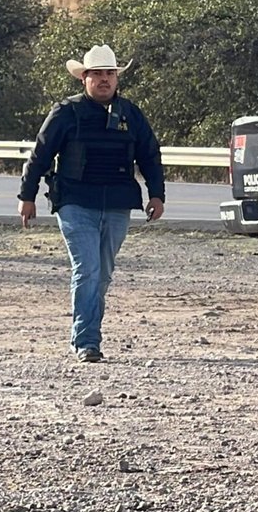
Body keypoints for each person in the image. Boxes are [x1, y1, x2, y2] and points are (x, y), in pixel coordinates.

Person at [18, 44, 165, 363]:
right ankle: (87, 341)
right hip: (75, 202)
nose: (104, 79)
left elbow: (150, 155)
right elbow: (40, 155)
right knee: (88, 269)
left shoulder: (131, 114)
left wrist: (157, 194)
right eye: (97, 74)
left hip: (117, 204)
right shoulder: (66, 112)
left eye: (109, 73)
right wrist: (27, 196)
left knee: (103, 274)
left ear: (117, 78)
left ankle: (83, 333)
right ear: (83, 78)